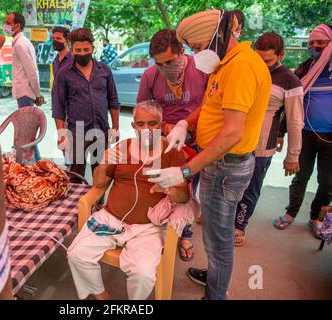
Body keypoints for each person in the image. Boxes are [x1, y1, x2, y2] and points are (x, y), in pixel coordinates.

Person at [147, 10, 271, 300]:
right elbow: (213, 104)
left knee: (219, 239)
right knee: (214, 234)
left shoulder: (242, 66)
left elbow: (231, 134)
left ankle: (215, 294)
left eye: (199, 47)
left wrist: (185, 171)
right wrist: (184, 123)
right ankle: (216, 275)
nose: (197, 54)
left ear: (217, 37)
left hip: (227, 165)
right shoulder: (226, 63)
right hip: (217, 162)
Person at [67, 100, 189, 300]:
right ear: (133, 126)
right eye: (140, 124)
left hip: (147, 229)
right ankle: (101, 295)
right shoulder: (122, 148)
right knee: (76, 254)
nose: (146, 129)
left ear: (161, 124)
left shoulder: (172, 153)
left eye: (153, 124)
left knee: (143, 273)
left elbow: (184, 197)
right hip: (110, 220)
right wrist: (105, 163)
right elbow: (98, 184)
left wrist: (170, 190)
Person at [137, 29, 209, 261]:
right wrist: (165, 126)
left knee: (187, 191)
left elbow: (211, 104)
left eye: (170, 61)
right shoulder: (150, 76)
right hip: (164, 145)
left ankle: (185, 233)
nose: (165, 68)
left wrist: (185, 124)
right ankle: (158, 230)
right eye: (160, 64)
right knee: (163, 189)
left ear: (181, 52)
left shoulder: (202, 70)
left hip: (197, 144)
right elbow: (143, 112)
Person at [233, 32, 304, 246]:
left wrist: (293, 155)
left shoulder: (290, 82)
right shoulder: (247, 69)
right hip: (234, 140)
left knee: (250, 189)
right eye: (258, 58)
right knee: (230, 185)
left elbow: (294, 122)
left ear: (281, 55)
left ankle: (239, 226)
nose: (262, 65)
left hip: (261, 145)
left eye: (268, 61)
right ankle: (225, 220)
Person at [273, 24, 332, 239]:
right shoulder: (304, 70)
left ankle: (316, 217)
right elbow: (290, 104)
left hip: (330, 138)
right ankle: (290, 213)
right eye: (311, 43)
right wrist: (280, 132)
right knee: (301, 176)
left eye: (321, 43)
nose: (315, 46)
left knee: (328, 182)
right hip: (305, 133)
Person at [52, 28, 120, 179]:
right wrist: (61, 134)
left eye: (86, 49)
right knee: (76, 175)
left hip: (102, 130)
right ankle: (76, 202)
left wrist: (115, 127)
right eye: (78, 50)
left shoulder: (105, 70)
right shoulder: (63, 73)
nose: (82, 53)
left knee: (101, 174)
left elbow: (113, 100)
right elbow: (58, 107)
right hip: (77, 133)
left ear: (92, 48)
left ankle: (98, 203)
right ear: (71, 48)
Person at [4, 12, 44, 161]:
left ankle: (37, 166)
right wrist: (37, 93)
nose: (5, 25)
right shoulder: (22, 42)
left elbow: (31, 71)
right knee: (28, 134)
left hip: (24, 93)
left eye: (8, 22)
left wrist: (38, 94)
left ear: (17, 26)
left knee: (27, 135)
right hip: (26, 93)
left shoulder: (20, 44)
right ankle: (37, 166)